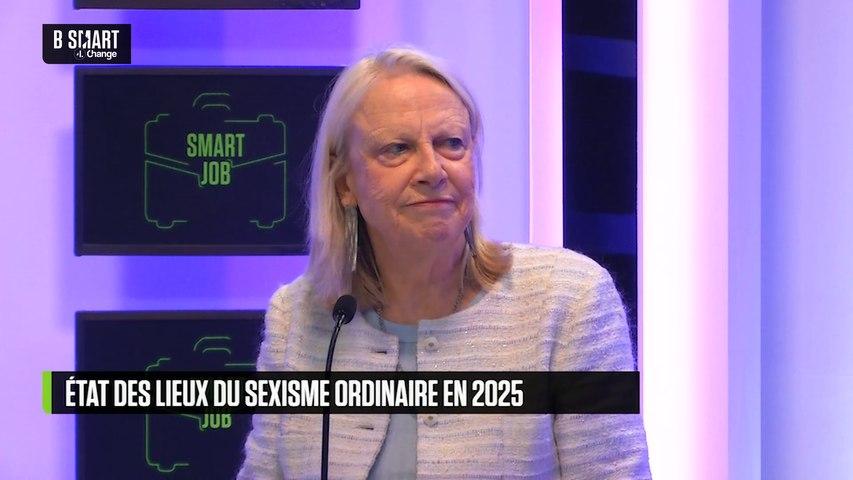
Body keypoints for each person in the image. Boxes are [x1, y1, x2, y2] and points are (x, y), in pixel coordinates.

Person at [237, 47, 651, 479]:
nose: (433, 170)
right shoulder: (296, 317)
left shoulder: (569, 299)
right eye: (398, 149)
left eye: (452, 144)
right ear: (345, 184)